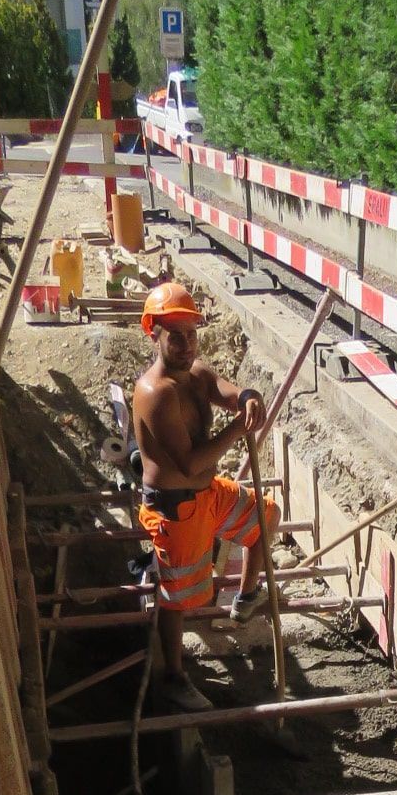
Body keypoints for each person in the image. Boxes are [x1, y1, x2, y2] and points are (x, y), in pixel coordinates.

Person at [132, 281, 280, 712]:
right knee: (178, 595)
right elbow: (189, 463)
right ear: (154, 333)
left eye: (191, 334)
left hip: (208, 495)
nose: (185, 344)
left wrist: (248, 398)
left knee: (265, 517)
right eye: (174, 335)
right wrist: (239, 428)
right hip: (176, 509)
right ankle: (175, 676)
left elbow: (225, 389)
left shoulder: (196, 373)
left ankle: (246, 597)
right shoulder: (154, 394)